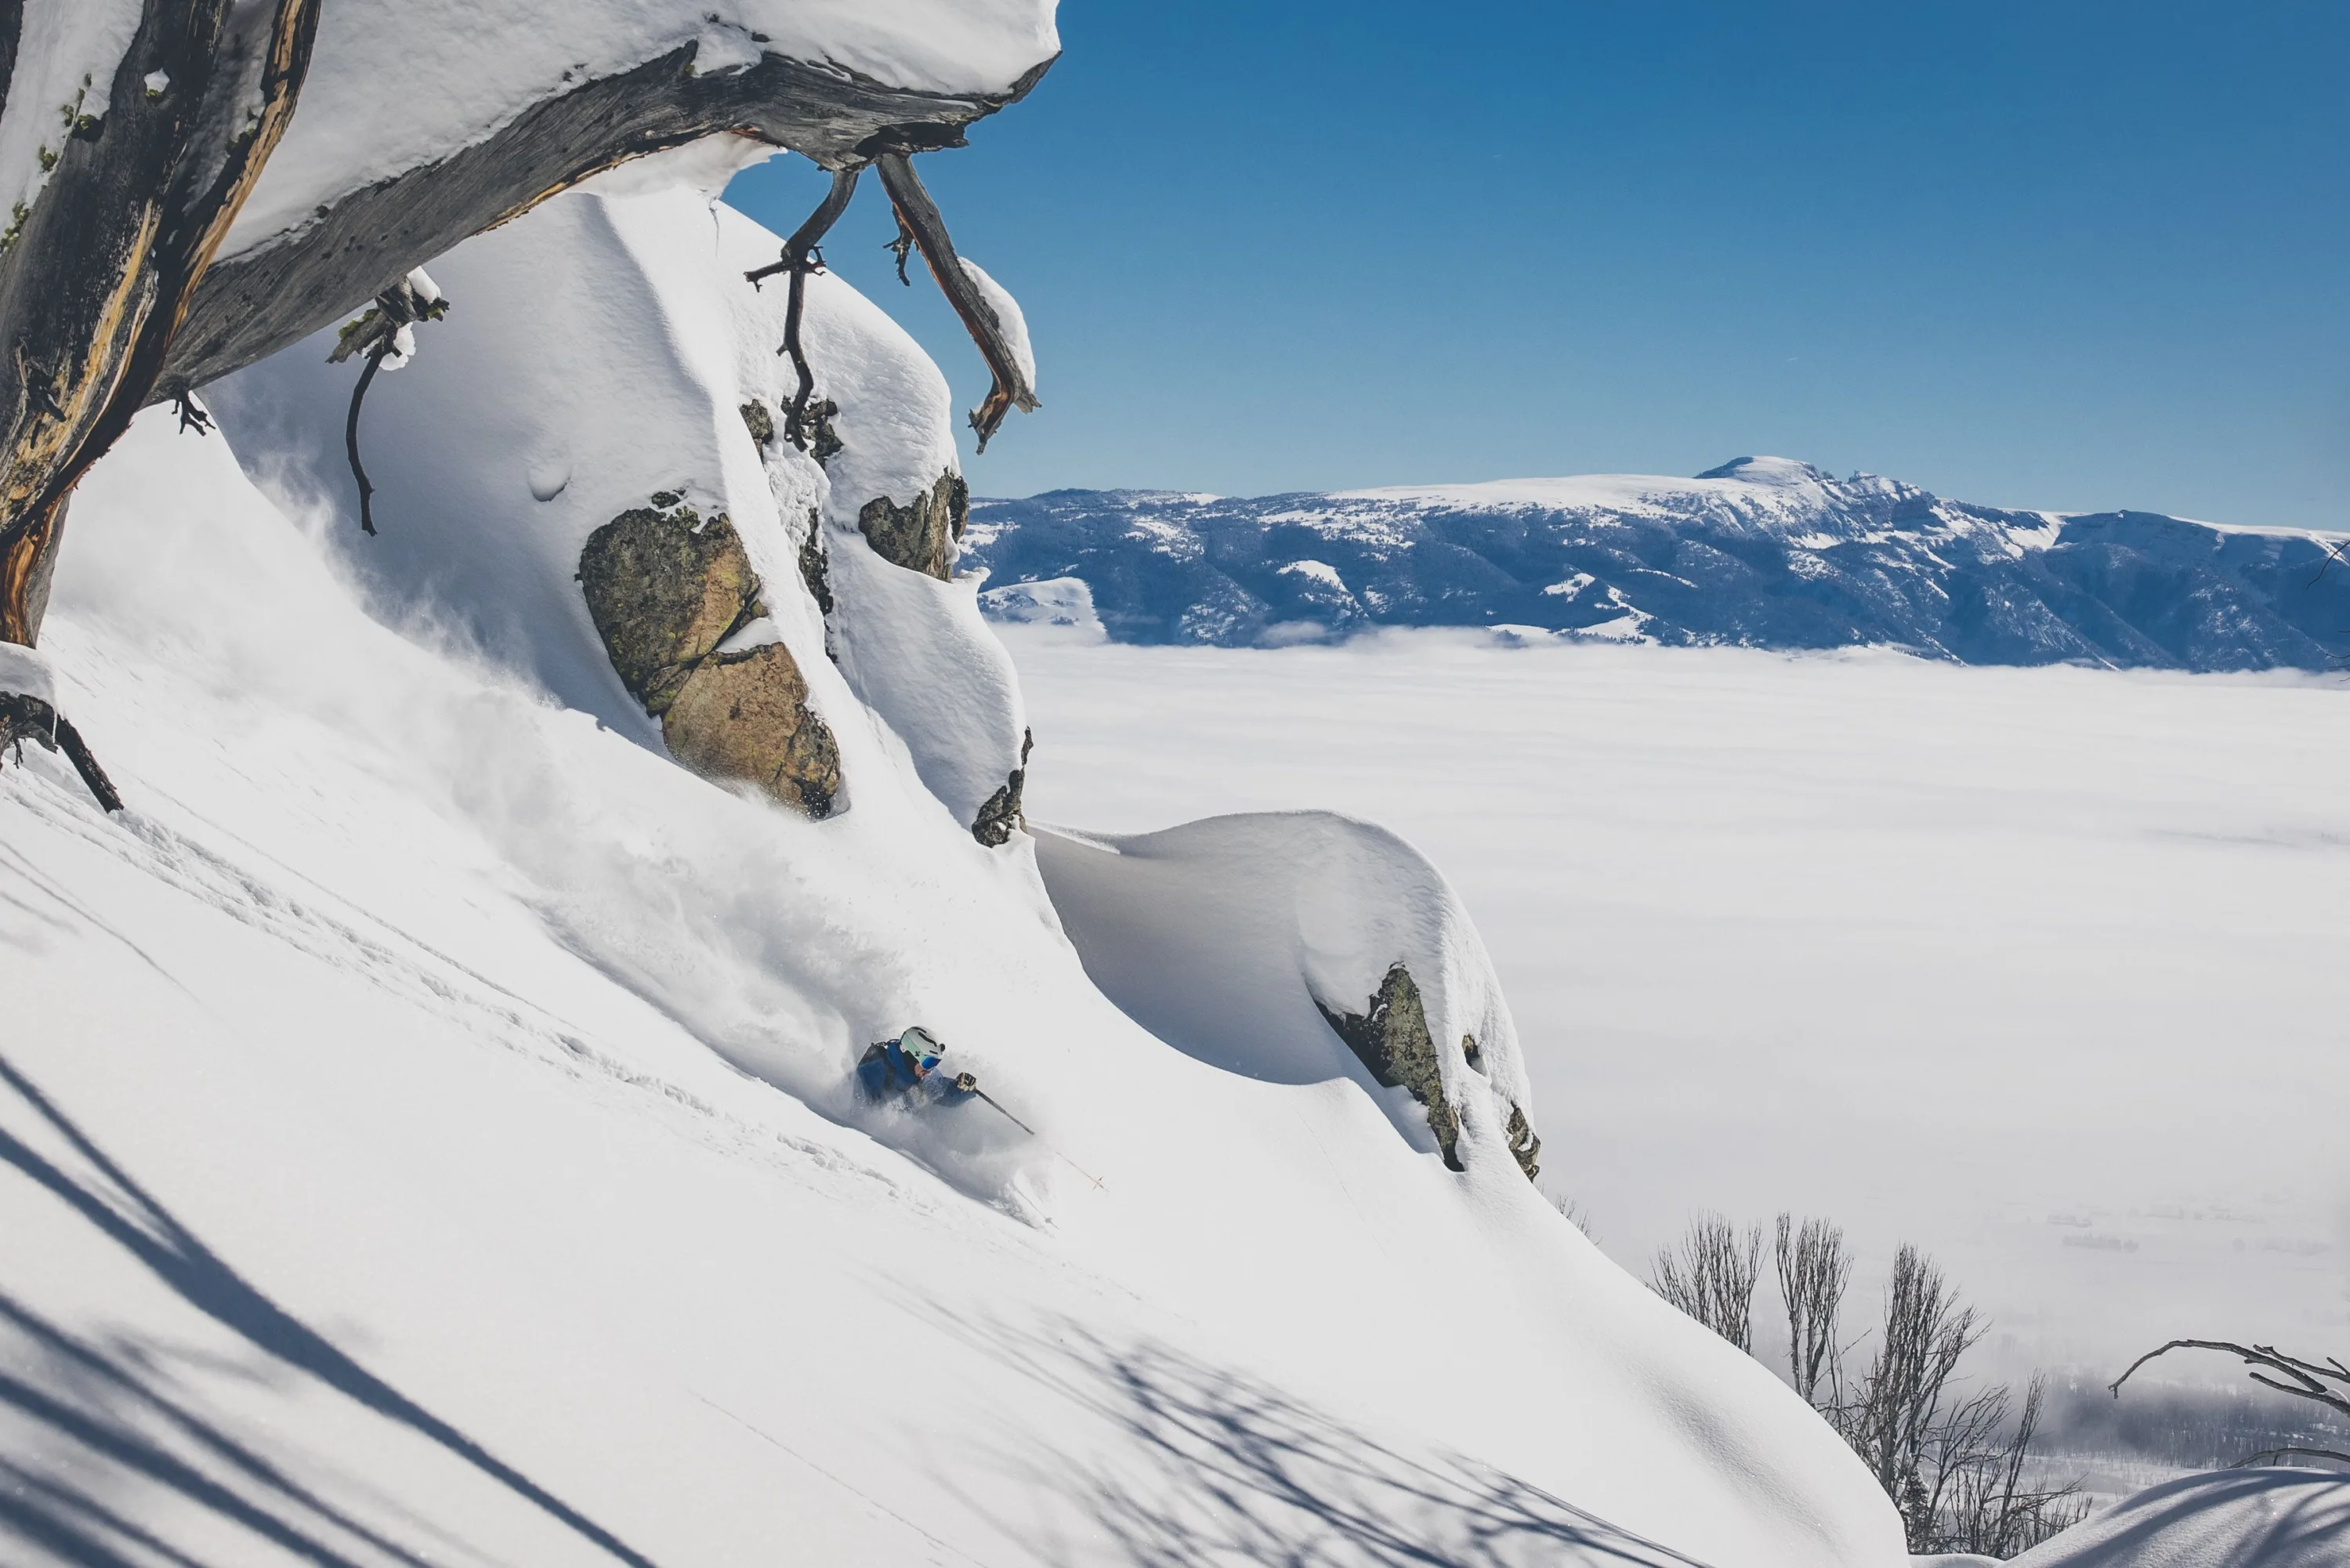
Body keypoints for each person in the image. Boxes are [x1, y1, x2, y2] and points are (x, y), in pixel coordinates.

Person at [856, 1026, 977, 1106]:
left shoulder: (924, 1077)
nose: (929, 1071)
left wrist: (961, 1089)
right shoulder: (873, 1072)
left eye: (934, 1064)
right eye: (928, 1063)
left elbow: (944, 1095)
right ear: (911, 1056)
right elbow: (856, 1106)